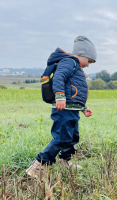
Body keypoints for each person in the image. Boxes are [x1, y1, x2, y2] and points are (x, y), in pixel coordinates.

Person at [26, 36, 97, 178]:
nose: (88, 64)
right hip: (63, 108)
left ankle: (65, 161)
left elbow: (75, 92)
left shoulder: (77, 68)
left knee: (72, 137)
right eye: (88, 60)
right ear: (82, 54)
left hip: (72, 109)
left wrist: (83, 108)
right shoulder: (69, 62)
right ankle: (38, 165)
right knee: (62, 138)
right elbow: (59, 78)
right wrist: (59, 95)